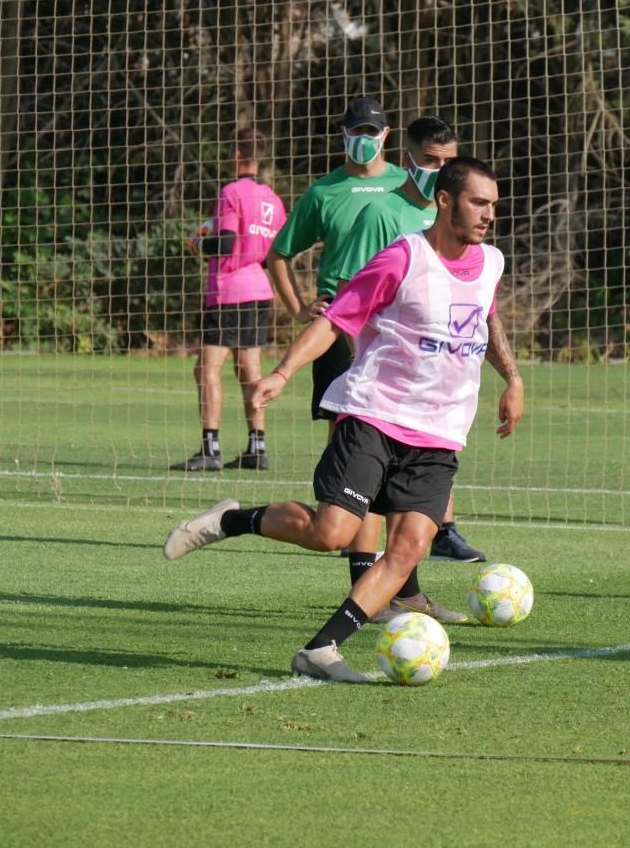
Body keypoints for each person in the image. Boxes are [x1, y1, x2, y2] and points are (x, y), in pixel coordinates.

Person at [164, 157, 525, 682]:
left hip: (439, 433)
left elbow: (486, 319)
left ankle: (321, 650)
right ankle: (230, 519)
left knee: (407, 551)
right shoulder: (404, 257)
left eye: (493, 204)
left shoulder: (490, 262)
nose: (489, 214)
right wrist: (283, 372)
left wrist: (512, 379)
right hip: (375, 415)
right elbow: (337, 319)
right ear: (445, 200)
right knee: (331, 533)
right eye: (479, 202)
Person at [264, 98, 466, 621]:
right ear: (344, 133)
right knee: (358, 469)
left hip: (400, 339)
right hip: (340, 333)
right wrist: (299, 310)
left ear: (386, 135)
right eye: (356, 130)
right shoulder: (327, 192)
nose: (364, 137)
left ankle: (400, 584)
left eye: (372, 130)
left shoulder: (422, 191)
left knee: (394, 465)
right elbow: (279, 254)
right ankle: (372, 587)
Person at [336, 115, 487, 574]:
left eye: (449, 162)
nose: (440, 169)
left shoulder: (454, 219)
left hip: (432, 377)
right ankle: (364, 576)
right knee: (367, 493)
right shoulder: (382, 214)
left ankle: (413, 579)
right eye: (430, 161)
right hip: (379, 374)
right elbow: (353, 292)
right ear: (407, 159)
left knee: (413, 480)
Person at [171, 127, 286, 472]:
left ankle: (210, 448)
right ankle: (257, 446)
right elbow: (271, 255)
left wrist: (196, 243)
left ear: (237, 154)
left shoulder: (231, 192)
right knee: (249, 371)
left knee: (206, 370)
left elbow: (224, 244)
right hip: (259, 291)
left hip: (228, 292)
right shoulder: (274, 201)